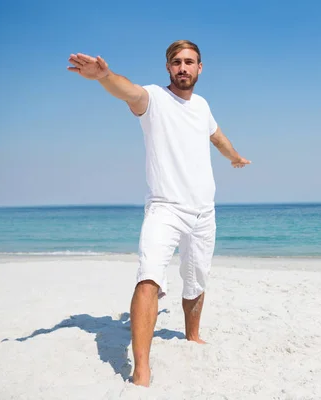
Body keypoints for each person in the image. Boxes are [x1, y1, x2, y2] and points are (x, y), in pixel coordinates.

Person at [67, 40, 251, 386]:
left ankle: (192, 335)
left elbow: (217, 136)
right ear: (168, 67)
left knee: (197, 279)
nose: (183, 68)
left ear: (200, 68)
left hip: (203, 211)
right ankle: (142, 368)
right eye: (177, 62)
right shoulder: (153, 99)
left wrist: (234, 157)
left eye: (190, 62)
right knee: (149, 276)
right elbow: (127, 91)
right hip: (165, 208)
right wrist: (104, 76)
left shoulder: (202, 106)